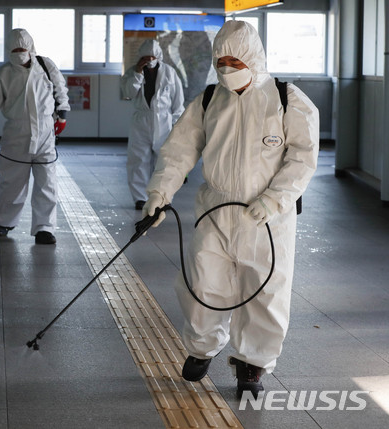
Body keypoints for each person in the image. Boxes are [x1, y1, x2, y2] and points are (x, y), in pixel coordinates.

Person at [142, 21, 319, 398]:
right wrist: (159, 193)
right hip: (216, 209)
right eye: (220, 59)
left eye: (234, 59)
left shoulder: (288, 100)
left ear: (253, 57)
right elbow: (180, 150)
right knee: (202, 284)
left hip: (267, 215)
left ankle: (252, 364)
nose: (226, 67)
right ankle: (203, 346)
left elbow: (303, 158)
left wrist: (273, 200)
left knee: (265, 291)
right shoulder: (209, 100)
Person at [0, 28, 70, 245]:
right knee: (11, 181)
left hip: (45, 133)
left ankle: (44, 228)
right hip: (16, 133)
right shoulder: (4, 74)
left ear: (31, 48)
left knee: (47, 182)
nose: (19, 54)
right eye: (15, 50)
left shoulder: (45, 65)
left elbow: (60, 88)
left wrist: (62, 114)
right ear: (8, 50)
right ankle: (5, 222)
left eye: (22, 49)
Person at [121, 39, 185, 210]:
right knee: (138, 160)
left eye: (151, 57)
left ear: (158, 56)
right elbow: (128, 93)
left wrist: (177, 127)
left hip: (164, 121)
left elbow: (178, 103)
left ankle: (161, 195)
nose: (148, 60)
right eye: (145, 57)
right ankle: (140, 198)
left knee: (163, 161)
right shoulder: (132, 72)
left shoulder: (170, 73)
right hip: (141, 121)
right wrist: (137, 72)